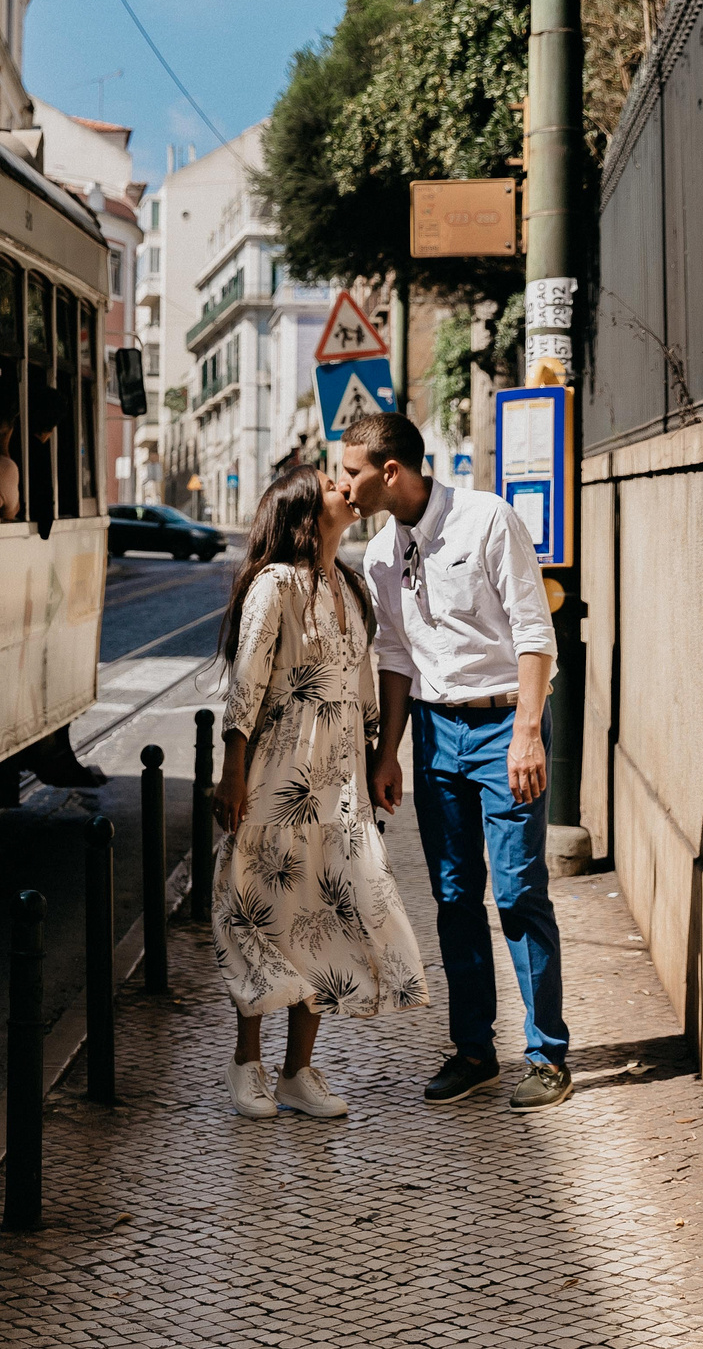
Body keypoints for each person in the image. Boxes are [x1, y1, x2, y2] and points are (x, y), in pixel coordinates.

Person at [337, 410, 571, 1111]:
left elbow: (535, 631)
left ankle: (546, 1054)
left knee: (520, 889)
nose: (344, 487)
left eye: (351, 473)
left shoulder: (487, 518)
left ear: (390, 471)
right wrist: (389, 752)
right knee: (453, 893)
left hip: (506, 724)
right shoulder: (381, 553)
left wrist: (528, 730)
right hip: (438, 734)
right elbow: (398, 659)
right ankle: (475, 1049)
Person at [211, 464, 428, 1120]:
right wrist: (232, 767)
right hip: (275, 780)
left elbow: (363, 688)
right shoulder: (275, 585)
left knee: (326, 921)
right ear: (308, 511)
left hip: (338, 788)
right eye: (333, 483)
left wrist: (378, 761)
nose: (346, 486)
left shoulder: (350, 585)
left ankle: (297, 1071)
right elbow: (246, 679)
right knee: (262, 917)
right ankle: (247, 1063)